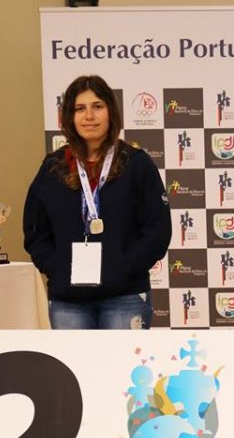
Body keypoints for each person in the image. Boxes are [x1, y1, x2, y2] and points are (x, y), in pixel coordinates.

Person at [23, 75, 171, 329]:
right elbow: (35, 230)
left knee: (122, 358)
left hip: (125, 297)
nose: (89, 116)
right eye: (80, 108)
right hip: (68, 300)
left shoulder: (137, 164)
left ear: (111, 112)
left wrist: (125, 268)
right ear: (69, 116)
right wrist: (57, 268)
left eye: (97, 106)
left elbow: (157, 229)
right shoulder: (53, 167)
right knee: (73, 359)